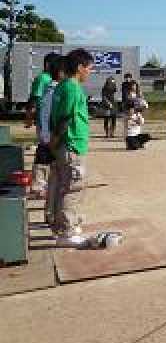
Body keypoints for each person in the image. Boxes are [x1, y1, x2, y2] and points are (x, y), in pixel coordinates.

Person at [48, 49, 93, 246]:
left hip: (64, 145)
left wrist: (54, 141)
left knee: (62, 187)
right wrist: (56, 139)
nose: (89, 73)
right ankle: (67, 232)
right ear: (79, 67)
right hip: (71, 144)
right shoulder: (73, 88)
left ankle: (62, 227)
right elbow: (66, 117)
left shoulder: (61, 86)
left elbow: (55, 115)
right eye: (89, 68)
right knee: (72, 188)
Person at [27, 52, 60, 197]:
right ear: (48, 65)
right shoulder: (43, 78)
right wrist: (30, 116)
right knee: (44, 150)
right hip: (44, 120)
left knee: (51, 151)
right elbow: (35, 98)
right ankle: (38, 185)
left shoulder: (54, 79)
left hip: (53, 121)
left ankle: (47, 184)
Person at [42, 57, 67, 223]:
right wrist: (52, 140)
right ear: (60, 73)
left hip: (50, 138)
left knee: (55, 178)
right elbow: (55, 118)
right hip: (54, 140)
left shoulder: (50, 89)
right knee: (59, 180)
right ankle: (54, 217)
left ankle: (50, 214)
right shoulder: (55, 91)